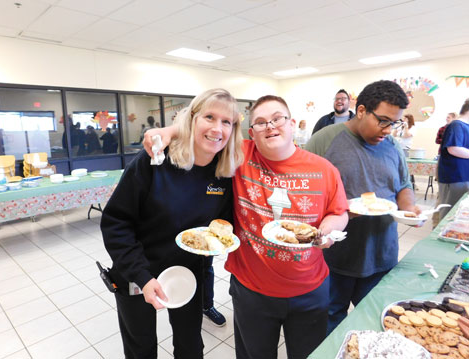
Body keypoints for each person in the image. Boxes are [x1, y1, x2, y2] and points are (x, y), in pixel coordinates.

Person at [144, 95, 349, 358]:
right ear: (251, 132)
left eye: (277, 119)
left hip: (309, 290)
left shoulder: (324, 169)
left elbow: (338, 212)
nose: (270, 126)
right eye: (261, 123)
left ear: (292, 123)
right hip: (252, 290)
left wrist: (327, 232)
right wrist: (168, 131)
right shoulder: (239, 155)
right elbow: (206, 129)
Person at [101, 88, 244, 359]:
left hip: (186, 272)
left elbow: (221, 224)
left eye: (227, 122)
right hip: (136, 272)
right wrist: (143, 277)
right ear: (191, 120)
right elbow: (115, 222)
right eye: (209, 117)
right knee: (140, 347)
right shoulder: (155, 160)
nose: (217, 128)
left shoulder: (223, 174)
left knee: (190, 346)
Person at [306, 80, 421, 335]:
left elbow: (402, 185)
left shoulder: (392, 147)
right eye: (383, 120)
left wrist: (409, 209)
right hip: (334, 258)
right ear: (361, 111)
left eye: (395, 123)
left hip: (381, 255)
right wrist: (343, 211)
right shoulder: (324, 141)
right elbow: (304, 192)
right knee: (329, 322)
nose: (389, 130)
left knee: (375, 322)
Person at [437, 99, 469, 220]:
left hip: (463, 175)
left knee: (459, 212)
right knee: (449, 212)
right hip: (454, 176)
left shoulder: (465, 126)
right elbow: (454, 149)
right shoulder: (457, 125)